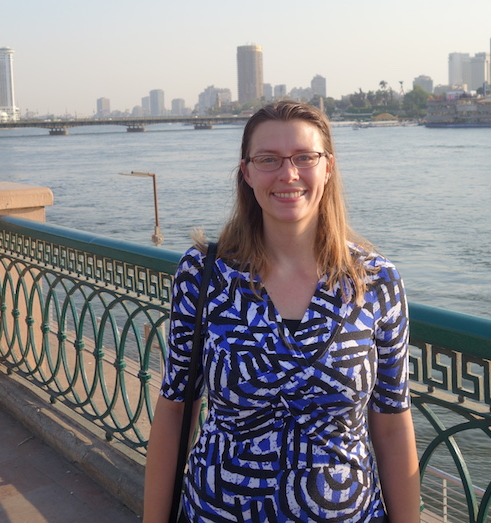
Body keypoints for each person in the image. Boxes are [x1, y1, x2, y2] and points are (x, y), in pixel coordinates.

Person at [144, 100, 420, 523]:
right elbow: (176, 408)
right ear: (247, 172)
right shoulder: (203, 274)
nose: (288, 174)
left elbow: (392, 424)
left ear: (328, 167)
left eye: (304, 157)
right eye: (268, 159)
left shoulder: (375, 281)